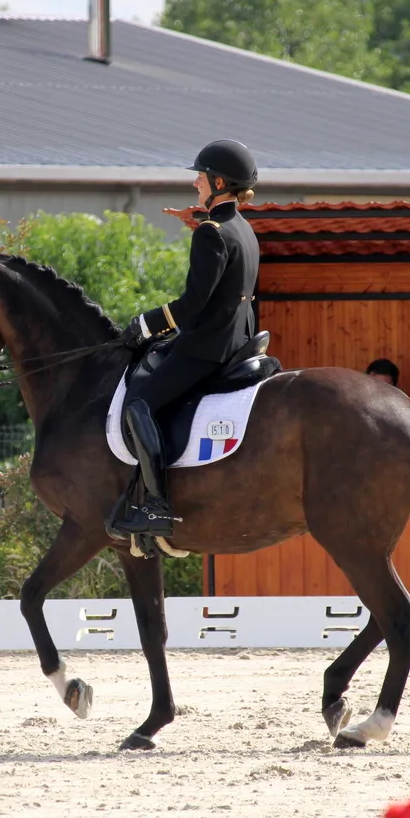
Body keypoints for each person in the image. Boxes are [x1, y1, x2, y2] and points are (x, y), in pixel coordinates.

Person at [106, 139, 262, 543]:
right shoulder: (244, 230)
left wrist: (144, 324)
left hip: (207, 349)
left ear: (219, 181)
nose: (195, 182)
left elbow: (193, 305)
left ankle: (157, 506)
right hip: (235, 341)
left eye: (200, 176)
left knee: (138, 405)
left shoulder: (212, 232)